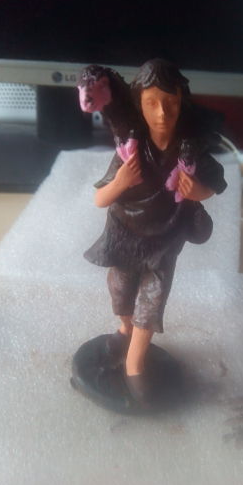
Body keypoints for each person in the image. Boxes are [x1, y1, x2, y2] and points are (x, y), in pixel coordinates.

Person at [84, 58, 227, 404]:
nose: (162, 113)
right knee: (121, 292)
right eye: (151, 103)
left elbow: (214, 183)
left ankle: (134, 364)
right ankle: (124, 329)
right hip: (125, 236)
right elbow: (100, 199)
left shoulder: (190, 150)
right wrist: (121, 181)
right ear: (140, 105)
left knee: (152, 300)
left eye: (170, 102)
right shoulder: (131, 150)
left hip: (165, 241)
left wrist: (197, 191)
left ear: (181, 103)